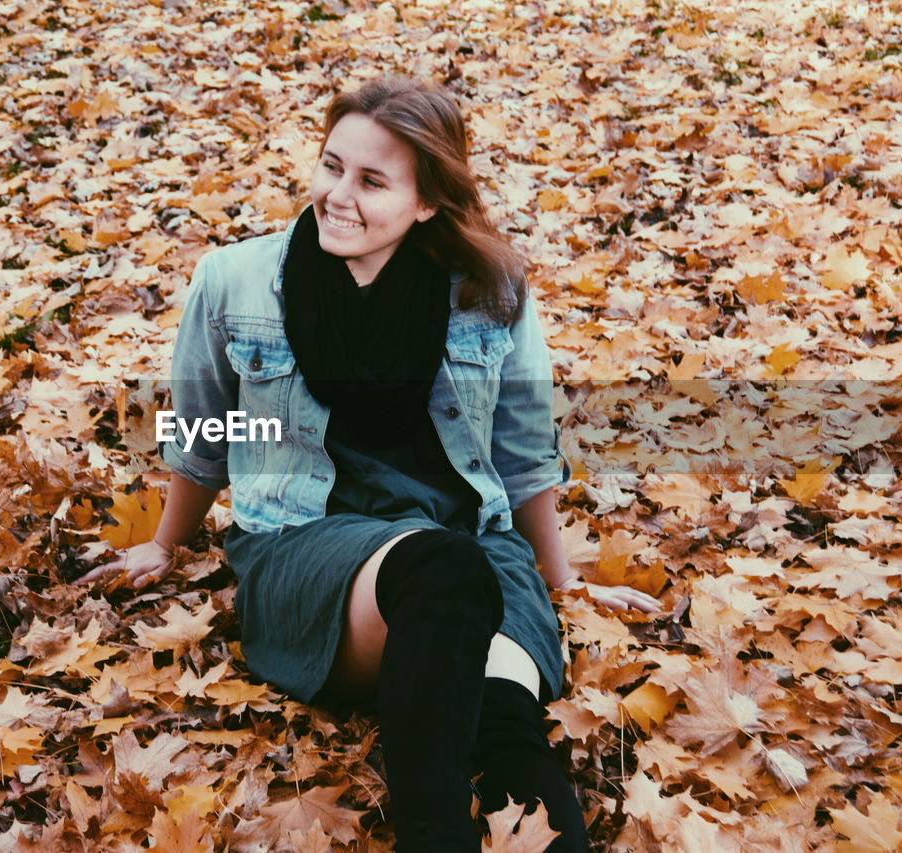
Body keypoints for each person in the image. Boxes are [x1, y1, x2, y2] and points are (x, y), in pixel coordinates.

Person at [76, 75, 661, 852]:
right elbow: (203, 433)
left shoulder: (490, 293)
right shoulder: (236, 282)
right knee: (444, 572)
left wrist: (561, 584)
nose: (337, 195)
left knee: (508, 723)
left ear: (426, 204)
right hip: (305, 549)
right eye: (331, 166)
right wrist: (164, 540)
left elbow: (523, 457)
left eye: (372, 181)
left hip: (474, 550)